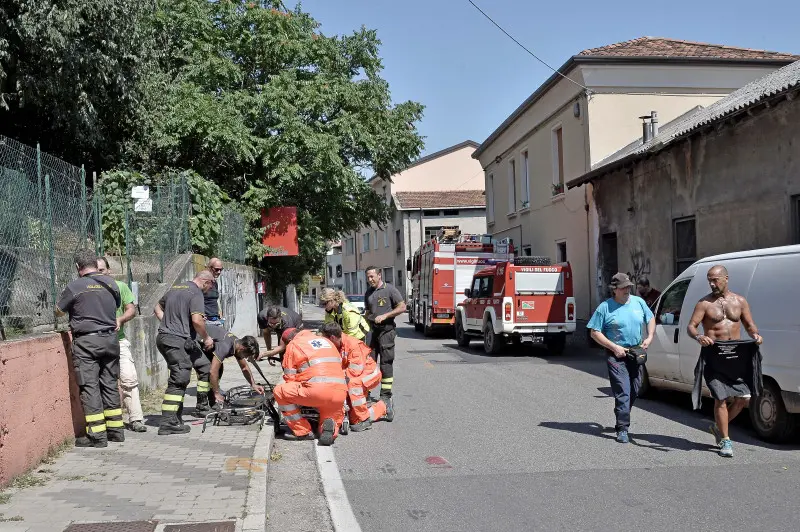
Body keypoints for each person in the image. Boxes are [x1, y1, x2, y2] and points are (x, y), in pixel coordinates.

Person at [687, 265, 763, 458]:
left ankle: (718, 427)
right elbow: (691, 326)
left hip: (737, 357)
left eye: (715, 280)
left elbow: (748, 323)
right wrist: (699, 337)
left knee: (742, 400)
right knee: (720, 398)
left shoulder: (740, 301)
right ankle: (726, 441)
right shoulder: (704, 304)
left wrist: (755, 334)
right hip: (714, 356)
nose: (712, 284)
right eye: (709, 280)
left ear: (726, 278)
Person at [56, 250, 123, 448]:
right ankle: (116, 431)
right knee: (110, 384)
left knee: (90, 386)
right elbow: (116, 305)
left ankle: (97, 436)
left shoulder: (75, 286)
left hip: (87, 343)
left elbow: (59, 310)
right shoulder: (112, 284)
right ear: (96, 264)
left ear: (78, 267)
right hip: (110, 340)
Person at [587, 273, 655, 444]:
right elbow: (594, 332)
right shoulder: (605, 307)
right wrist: (614, 347)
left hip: (636, 352)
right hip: (616, 354)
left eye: (628, 287)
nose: (627, 290)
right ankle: (622, 428)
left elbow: (651, 318)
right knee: (623, 391)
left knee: (634, 389)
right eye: (623, 287)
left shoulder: (638, 302)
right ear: (614, 289)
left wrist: (650, 337)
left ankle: (621, 411)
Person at [153, 270, 216, 434]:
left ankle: (202, 406)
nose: (209, 291)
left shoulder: (176, 287)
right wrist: (207, 338)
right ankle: (168, 421)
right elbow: (197, 321)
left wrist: (167, 323)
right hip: (175, 340)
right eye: (210, 287)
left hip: (178, 339)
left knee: (204, 366)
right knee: (180, 377)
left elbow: (157, 307)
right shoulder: (196, 293)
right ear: (205, 282)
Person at [272, 328, 348, 445]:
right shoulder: (326, 341)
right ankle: (328, 427)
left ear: (290, 339)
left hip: (318, 391)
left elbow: (289, 378)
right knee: (330, 413)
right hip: (340, 391)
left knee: (279, 391)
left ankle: (302, 431)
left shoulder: (294, 344)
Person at [97, 257, 146, 433]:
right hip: (95, 343)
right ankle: (105, 421)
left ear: (109, 271)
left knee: (129, 378)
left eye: (101, 270)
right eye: (95, 270)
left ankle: (136, 419)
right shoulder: (87, 289)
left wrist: (121, 318)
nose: (98, 274)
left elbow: (131, 309)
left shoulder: (120, 286)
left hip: (118, 340)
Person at [320, 322, 391, 432]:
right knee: (353, 418)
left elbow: (355, 371)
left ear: (332, 337)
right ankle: (383, 407)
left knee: (353, 384)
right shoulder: (335, 345)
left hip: (370, 373)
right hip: (354, 375)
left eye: (326, 340)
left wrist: (336, 376)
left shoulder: (352, 344)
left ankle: (364, 420)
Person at [364, 266, 406, 403]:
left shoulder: (390, 290)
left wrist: (385, 315)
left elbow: (402, 307)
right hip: (372, 331)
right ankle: (366, 393)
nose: (370, 280)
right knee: (368, 363)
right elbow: (368, 312)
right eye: (368, 277)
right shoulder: (368, 293)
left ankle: (385, 395)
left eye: (372, 276)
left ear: (379, 275)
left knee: (386, 363)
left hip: (386, 331)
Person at [204, 327, 263, 406]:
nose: (245, 358)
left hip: (209, 346)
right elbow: (213, 371)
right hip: (195, 340)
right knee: (205, 371)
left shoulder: (238, 344)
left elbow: (244, 367)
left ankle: (212, 399)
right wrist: (217, 393)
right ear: (242, 349)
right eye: (246, 355)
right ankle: (202, 405)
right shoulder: (226, 346)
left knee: (219, 369)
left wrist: (253, 384)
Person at [204, 258, 225, 327]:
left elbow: (216, 299)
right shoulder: (203, 282)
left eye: (221, 270)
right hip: (206, 321)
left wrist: (219, 311)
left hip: (216, 319)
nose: (219, 272)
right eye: (216, 269)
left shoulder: (215, 282)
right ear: (209, 268)